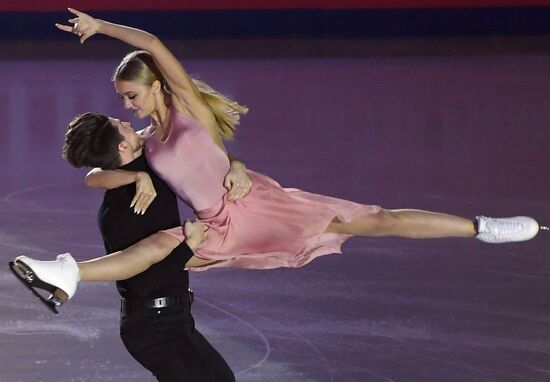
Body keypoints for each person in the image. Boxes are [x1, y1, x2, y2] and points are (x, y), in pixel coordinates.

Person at [11, 8, 544, 306]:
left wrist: (102, 27)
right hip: (216, 226)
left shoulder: (190, 110)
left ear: (153, 87)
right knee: (160, 253)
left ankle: (482, 226)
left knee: (376, 220)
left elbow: (151, 40)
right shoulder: (145, 145)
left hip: (260, 205)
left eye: (129, 96)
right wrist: (131, 181)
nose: (124, 105)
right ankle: (69, 273)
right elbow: (96, 177)